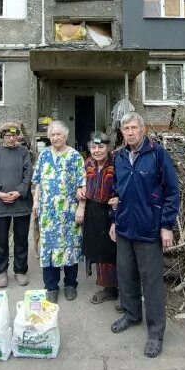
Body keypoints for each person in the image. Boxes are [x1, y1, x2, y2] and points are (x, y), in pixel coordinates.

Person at [109, 112, 179, 358]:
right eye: (125, 128)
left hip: (149, 229)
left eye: (133, 128)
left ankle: (155, 333)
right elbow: (116, 191)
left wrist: (167, 225)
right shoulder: (119, 157)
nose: (129, 132)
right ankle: (131, 315)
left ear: (143, 129)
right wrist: (113, 220)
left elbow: (172, 191)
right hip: (125, 227)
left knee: (151, 282)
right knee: (125, 274)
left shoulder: (157, 154)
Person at [32, 120, 86, 303]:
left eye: (59, 135)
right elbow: (38, 180)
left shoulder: (75, 156)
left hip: (69, 212)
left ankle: (71, 284)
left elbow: (82, 185)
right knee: (49, 247)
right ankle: (51, 287)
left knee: (70, 247)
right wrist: (36, 202)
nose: (55, 138)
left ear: (66, 136)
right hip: (48, 212)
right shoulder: (44, 155)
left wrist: (81, 207)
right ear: (49, 137)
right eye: (52, 135)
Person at [0, 122, 33, 288]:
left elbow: (28, 175)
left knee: (21, 239)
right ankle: (1, 271)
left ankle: (20, 270)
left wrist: (19, 192)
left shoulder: (23, 151)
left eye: (14, 135)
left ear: (18, 136)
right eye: (7, 136)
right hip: (1, 203)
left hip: (21, 203)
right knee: (1, 239)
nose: (11, 139)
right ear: (2, 137)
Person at [79, 131, 121, 308]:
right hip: (92, 211)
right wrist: (79, 191)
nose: (97, 150)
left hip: (111, 212)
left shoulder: (117, 163)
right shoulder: (88, 163)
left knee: (113, 252)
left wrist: (119, 198)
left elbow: (124, 185)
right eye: (94, 147)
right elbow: (81, 183)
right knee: (97, 250)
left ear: (108, 147)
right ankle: (108, 287)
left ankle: (121, 289)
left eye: (101, 147)